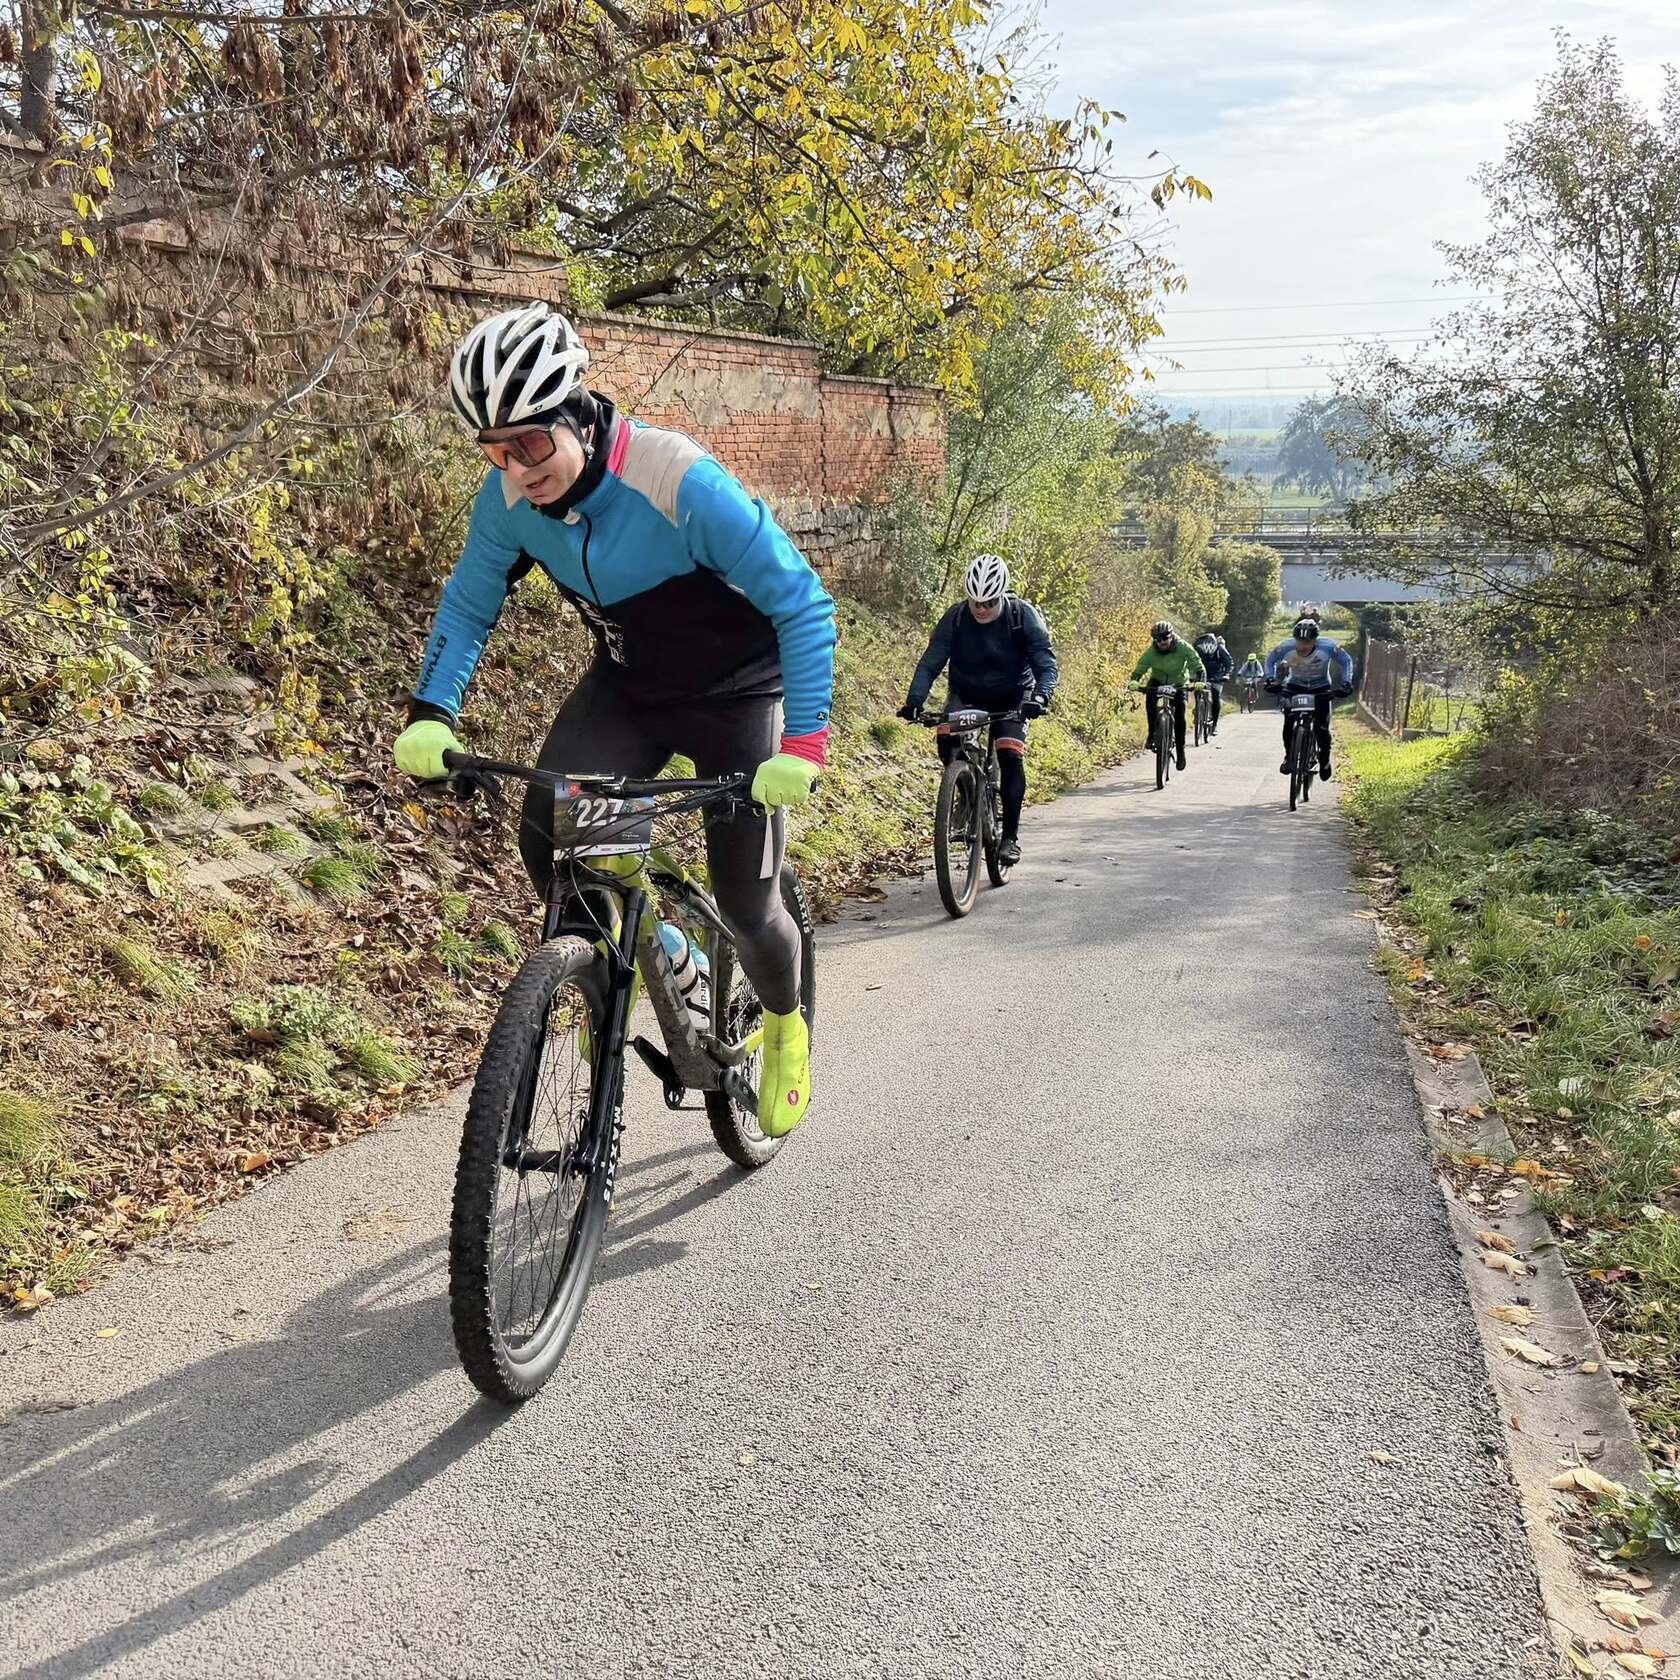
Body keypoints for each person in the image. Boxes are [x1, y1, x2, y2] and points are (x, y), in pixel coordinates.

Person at [392, 301, 836, 1137]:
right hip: (630, 688)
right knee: (547, 837)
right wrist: (432, 710)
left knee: (748, 902)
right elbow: (469, 604)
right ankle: (664, 949)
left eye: (530, 443)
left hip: (739, 696)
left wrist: (805, 743)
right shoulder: (509, 500)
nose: (516, 469)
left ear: (577, 416)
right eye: (494, 450)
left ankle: (784, 1027)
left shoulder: (677, 480)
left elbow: (802, 603)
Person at [897, 553, 1057, 867]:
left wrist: (1040, 698)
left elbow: (1046, 665)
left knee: (1009, 754)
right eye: (976, 603)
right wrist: (915, 701)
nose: (982, 609)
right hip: (968, 692)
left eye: (989, 602)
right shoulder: (956, 617)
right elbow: (931, 662)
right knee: (946, 739)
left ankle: (1009, 837)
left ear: (1002, 596)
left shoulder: (1023, 616)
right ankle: (965, 793)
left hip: (1014, 695)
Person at [1264, 617, 1354, 779]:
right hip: (1295, 686)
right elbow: (1270, 659)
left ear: (1315, 641)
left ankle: (1324, 760)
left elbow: (1346, 661)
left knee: (1322, 729)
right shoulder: (1286, 646)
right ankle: (1289, 756)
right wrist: (1270, 679)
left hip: (1321, 688)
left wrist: (1346, 683)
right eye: (1299, 641)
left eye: (1307, 642)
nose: (1302, 646)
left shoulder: (1328, 647)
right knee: (1288, 723)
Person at [1128, 620, 1206, 772]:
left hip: (1179, 683)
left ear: (1171, 636)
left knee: (1180, 715)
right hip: (1157, 681)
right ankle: (1152, 734)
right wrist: (1134, 680)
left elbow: (1197, 665)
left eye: (1165, 637)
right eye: (1158, 639)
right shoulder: (1151, 651)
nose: (1162, 642)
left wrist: (1200, 681)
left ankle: (1181, 751)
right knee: (1150, 700)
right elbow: (1141, 667)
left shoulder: (1183, 647)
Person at [1192, 632, 1234, 735]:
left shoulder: (1220, 650)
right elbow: (1189, 662)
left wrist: (1226, 674)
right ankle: (1198, 709)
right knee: (1198, 690)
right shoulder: (1197, 648)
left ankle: (1214, 724)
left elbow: (1229, 663)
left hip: (1217, 676)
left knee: (1216, 697)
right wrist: (1190, 675)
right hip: (1202, 674)